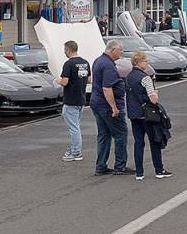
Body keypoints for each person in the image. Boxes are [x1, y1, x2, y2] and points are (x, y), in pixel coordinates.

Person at [125, 52, 173, 180]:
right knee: (154, 141)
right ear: (139, 62)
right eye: (145, 61)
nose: (147, 63)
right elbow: (153, 99)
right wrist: (156, 93)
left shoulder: (128, 77)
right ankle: (159, 169)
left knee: (138, 143)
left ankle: (139, 173)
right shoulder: (145, 78)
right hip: (148, 114)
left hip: (134, 114)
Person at [91, 40, 133, 176]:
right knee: (120, 134)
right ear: (112, 50)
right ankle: (120, 166)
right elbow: (107, 88)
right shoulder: (108, 65)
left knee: (104, 135)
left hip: (97, 104)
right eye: (120, 50)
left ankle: (101, 166)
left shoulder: (98, 61)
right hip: (106, 106)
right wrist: (114, 107)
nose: (121, 52)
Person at [56, 41, 90, 162]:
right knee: (76, 127)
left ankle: (76, 152)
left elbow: (65, 82)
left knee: (74, 129)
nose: (64, 52)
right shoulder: (85, 63)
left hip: (70, 100)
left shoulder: (68, 64)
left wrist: (57, 80)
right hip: (81, 98)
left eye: (65, 50)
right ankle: (75, 150)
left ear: (68, 50)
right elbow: (89, 79)